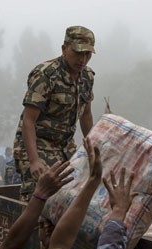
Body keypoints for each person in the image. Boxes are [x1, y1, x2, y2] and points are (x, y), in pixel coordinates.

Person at [13, 25, 95, 201]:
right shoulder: (46, 75)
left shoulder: (87, 77)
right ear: (64, 49)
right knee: (40, 194)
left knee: (72, 194)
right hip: (37, 144)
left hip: (65, 146)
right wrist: (34, 161)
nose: (83, 59)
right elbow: (29, 121)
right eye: (78, 53)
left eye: (87, 54)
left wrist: (92, 149)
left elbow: (86, 115)